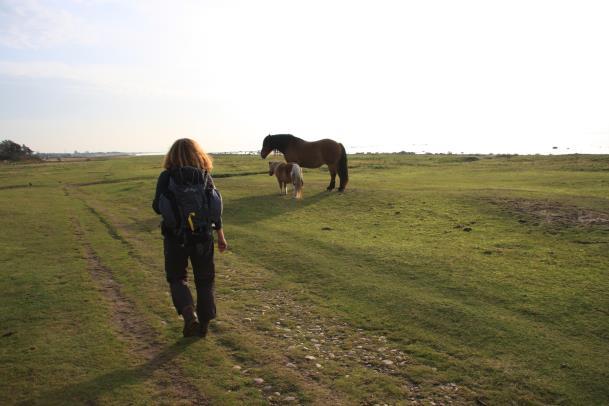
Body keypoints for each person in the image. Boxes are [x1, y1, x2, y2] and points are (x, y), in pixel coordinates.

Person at [152, 138, 228, 337]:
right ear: (198, 154)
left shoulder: (166, 177)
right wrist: (220, 235)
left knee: (177, 278)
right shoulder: (204, 176)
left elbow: (156, 206)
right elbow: (215, 208)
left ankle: (189, 316)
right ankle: (203, 325)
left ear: (172, 155)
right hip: (203, 237)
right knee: (205, 280)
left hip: (175, 237)